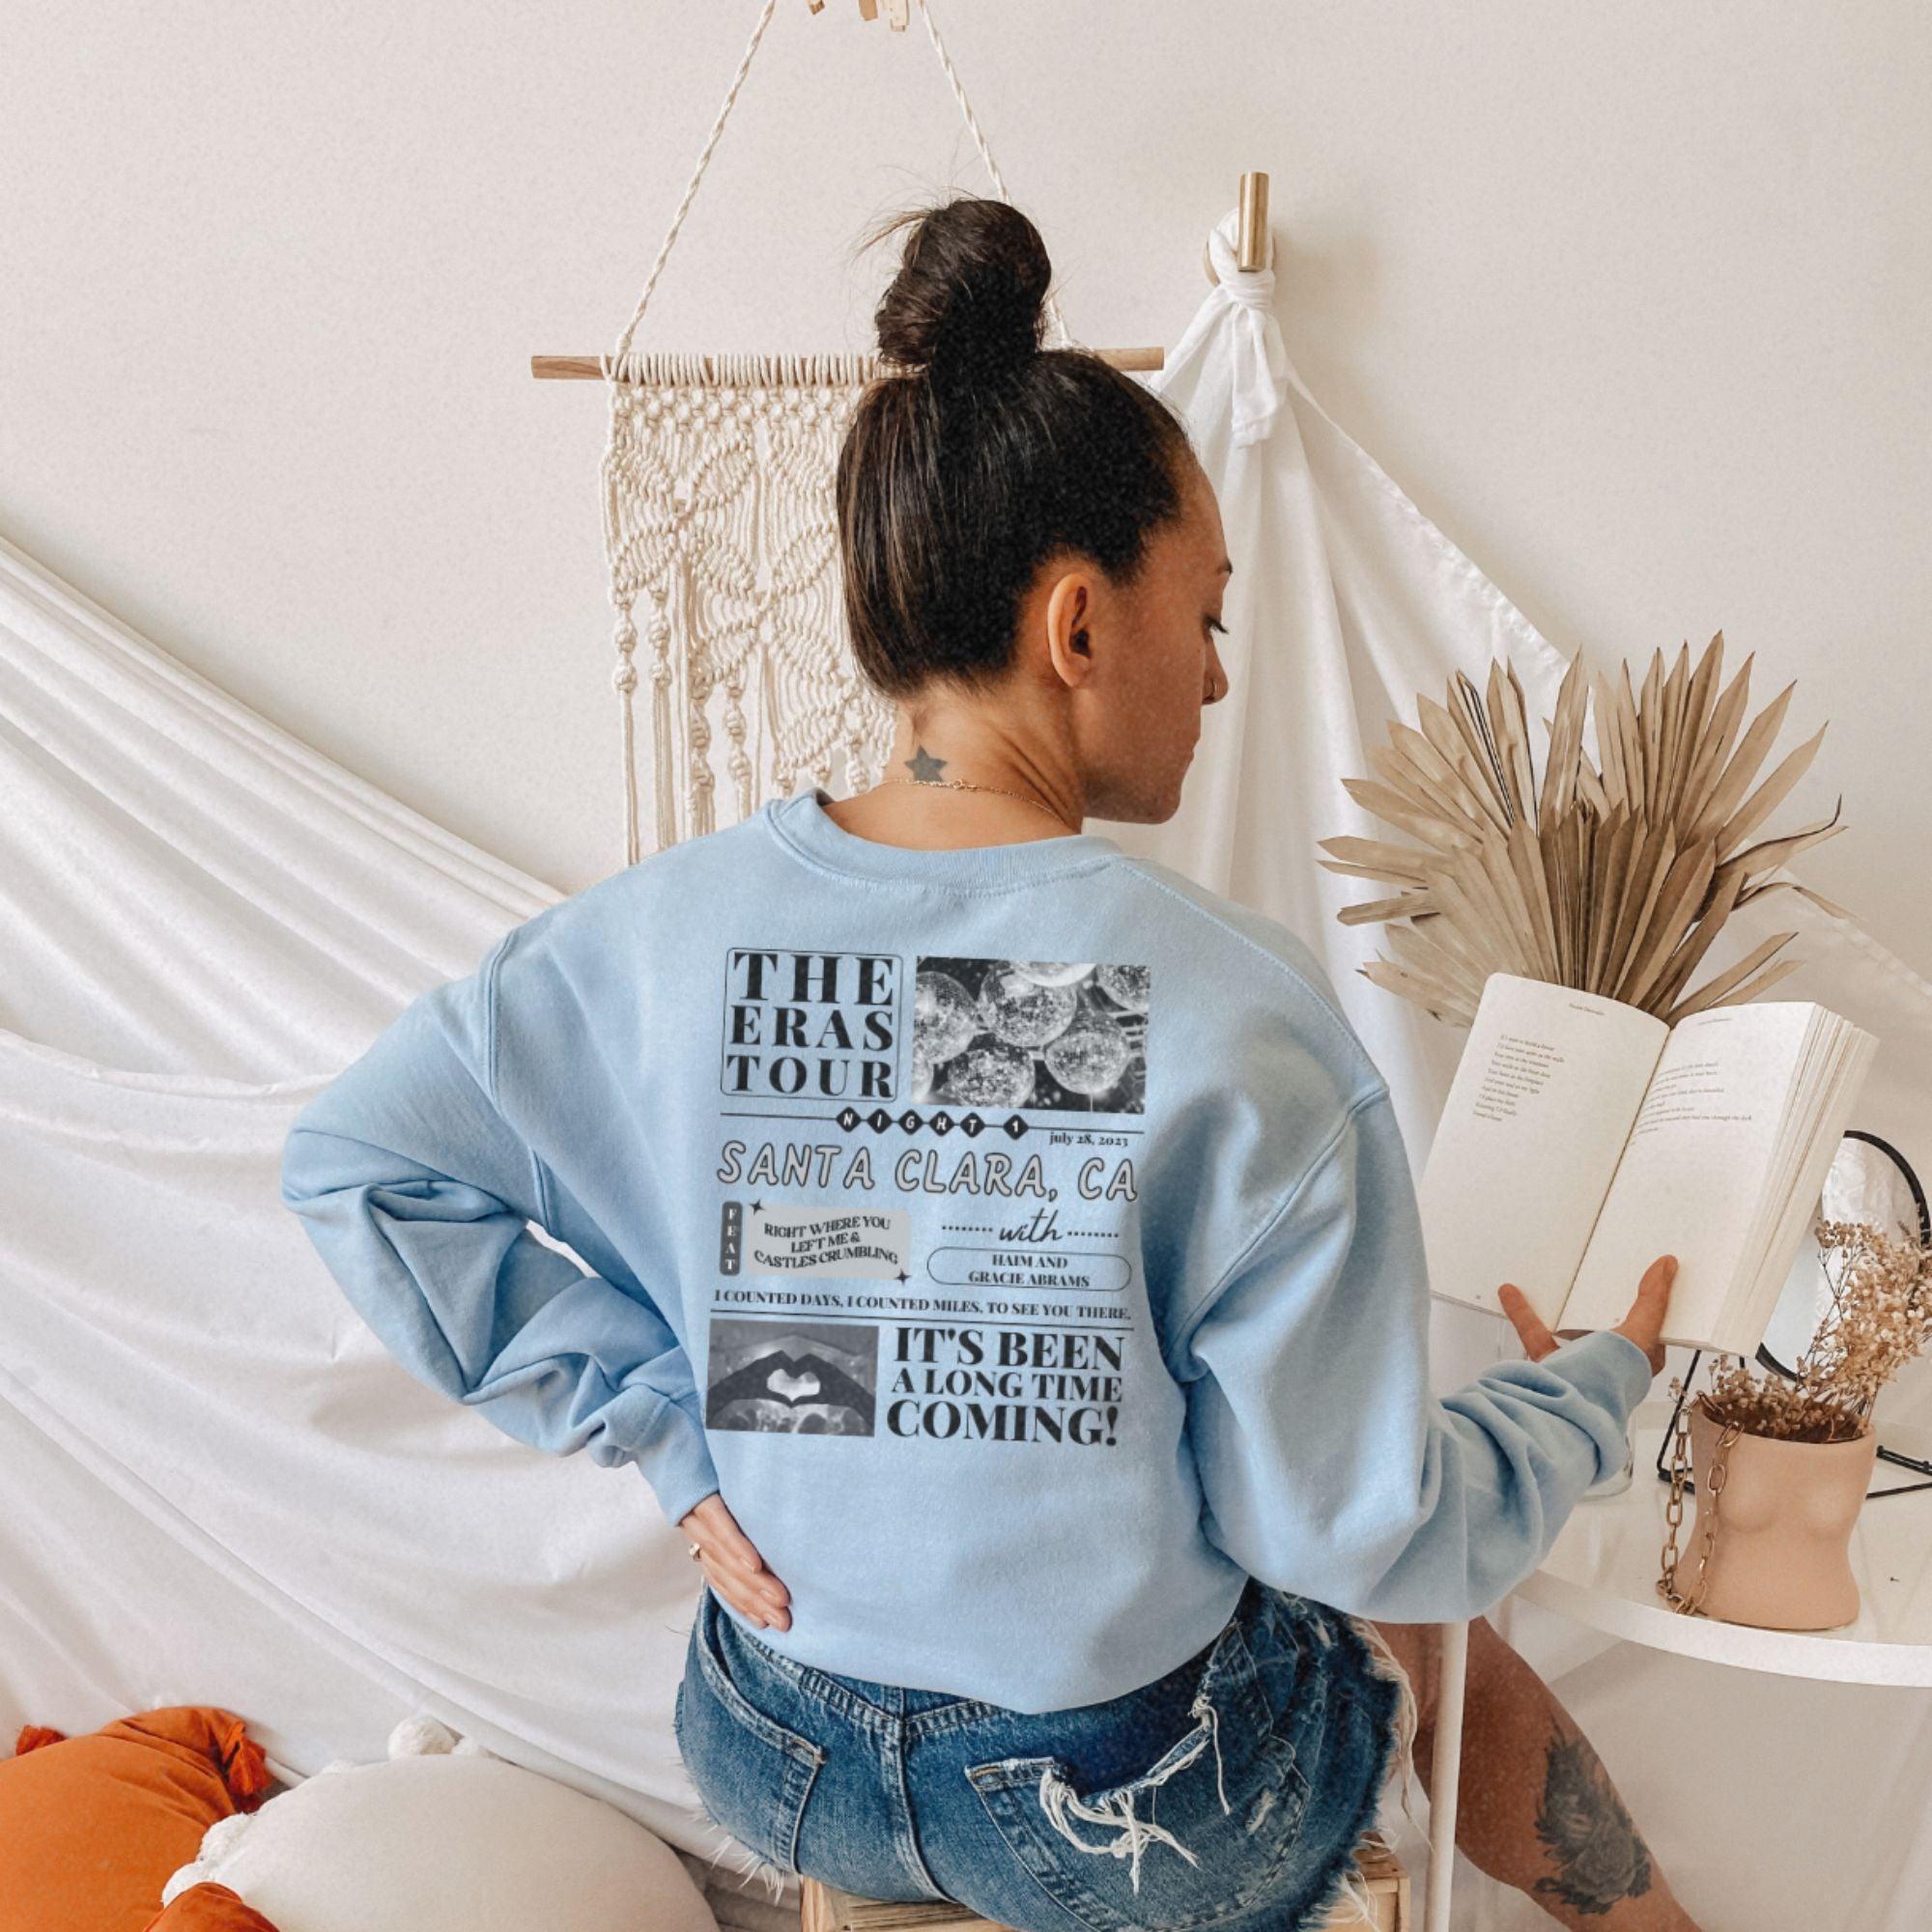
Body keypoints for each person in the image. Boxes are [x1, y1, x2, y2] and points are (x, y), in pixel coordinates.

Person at [280, 192, 1698, 1932]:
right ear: (1078, 625)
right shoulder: (1234, 1003)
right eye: (1209, 617)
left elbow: (360, 1163)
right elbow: (1345, 1533)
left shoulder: (652, 938)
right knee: (1412, 1602)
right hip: (1125, 1811)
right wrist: (1591, 1395)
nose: (1219, 680)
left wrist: (674, 1428)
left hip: (777, 1748)